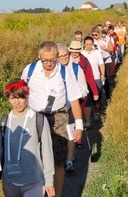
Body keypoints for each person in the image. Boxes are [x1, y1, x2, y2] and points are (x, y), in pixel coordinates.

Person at [20, 41, 84, 197]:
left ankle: (57, 194)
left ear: (57, 56)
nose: (49, 64)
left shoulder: (64, 72)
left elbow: (74, 99)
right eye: (45, 60)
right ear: (39, 56)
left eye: (52, 60)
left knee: (58, 160)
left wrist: (79, 126)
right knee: (36, 159)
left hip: (59, 117)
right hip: (35, 117)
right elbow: (21, 94)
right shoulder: (30, 70)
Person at [0, 79, 54, 197]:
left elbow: (47, 152)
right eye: (12, 98)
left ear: (27, 95)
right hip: (10, 182)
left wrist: (49, 180)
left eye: (20, 97)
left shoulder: (39, 120)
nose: (17, 102)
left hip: (34, 181)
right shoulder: (2, 123)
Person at [56, 43, 89, 173]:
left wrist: (75, 98)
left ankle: (69, 160)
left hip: (70, 108)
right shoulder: (53, 71)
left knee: (70, 134)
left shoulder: (76, 68)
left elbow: (84, 88)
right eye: (60, 56)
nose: (64, 58)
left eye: (66, 55)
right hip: (56, 109)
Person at [68, 40, 100, 130]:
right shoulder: (66, 59)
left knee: (86, 105)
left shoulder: (84, 61)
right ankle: (76, 123)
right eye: (72, 51)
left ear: (80, 51)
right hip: (71, 88)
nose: (74, 53)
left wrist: (95, 92)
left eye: (76, 51)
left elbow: (90, 77)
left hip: (83, 87)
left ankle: (87, 120)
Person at [81, 35, 106, 123]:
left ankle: (96, 112)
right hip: (84, 80)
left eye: (90, 44)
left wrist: (102, 74)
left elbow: (101, 64)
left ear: (93, 44)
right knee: (87, 99)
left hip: (96, 78)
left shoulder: (97, 53)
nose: (89, 46)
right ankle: (87, 119)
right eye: (87, 44)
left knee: (97, 98)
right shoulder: (82, 53)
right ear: (84, 44)